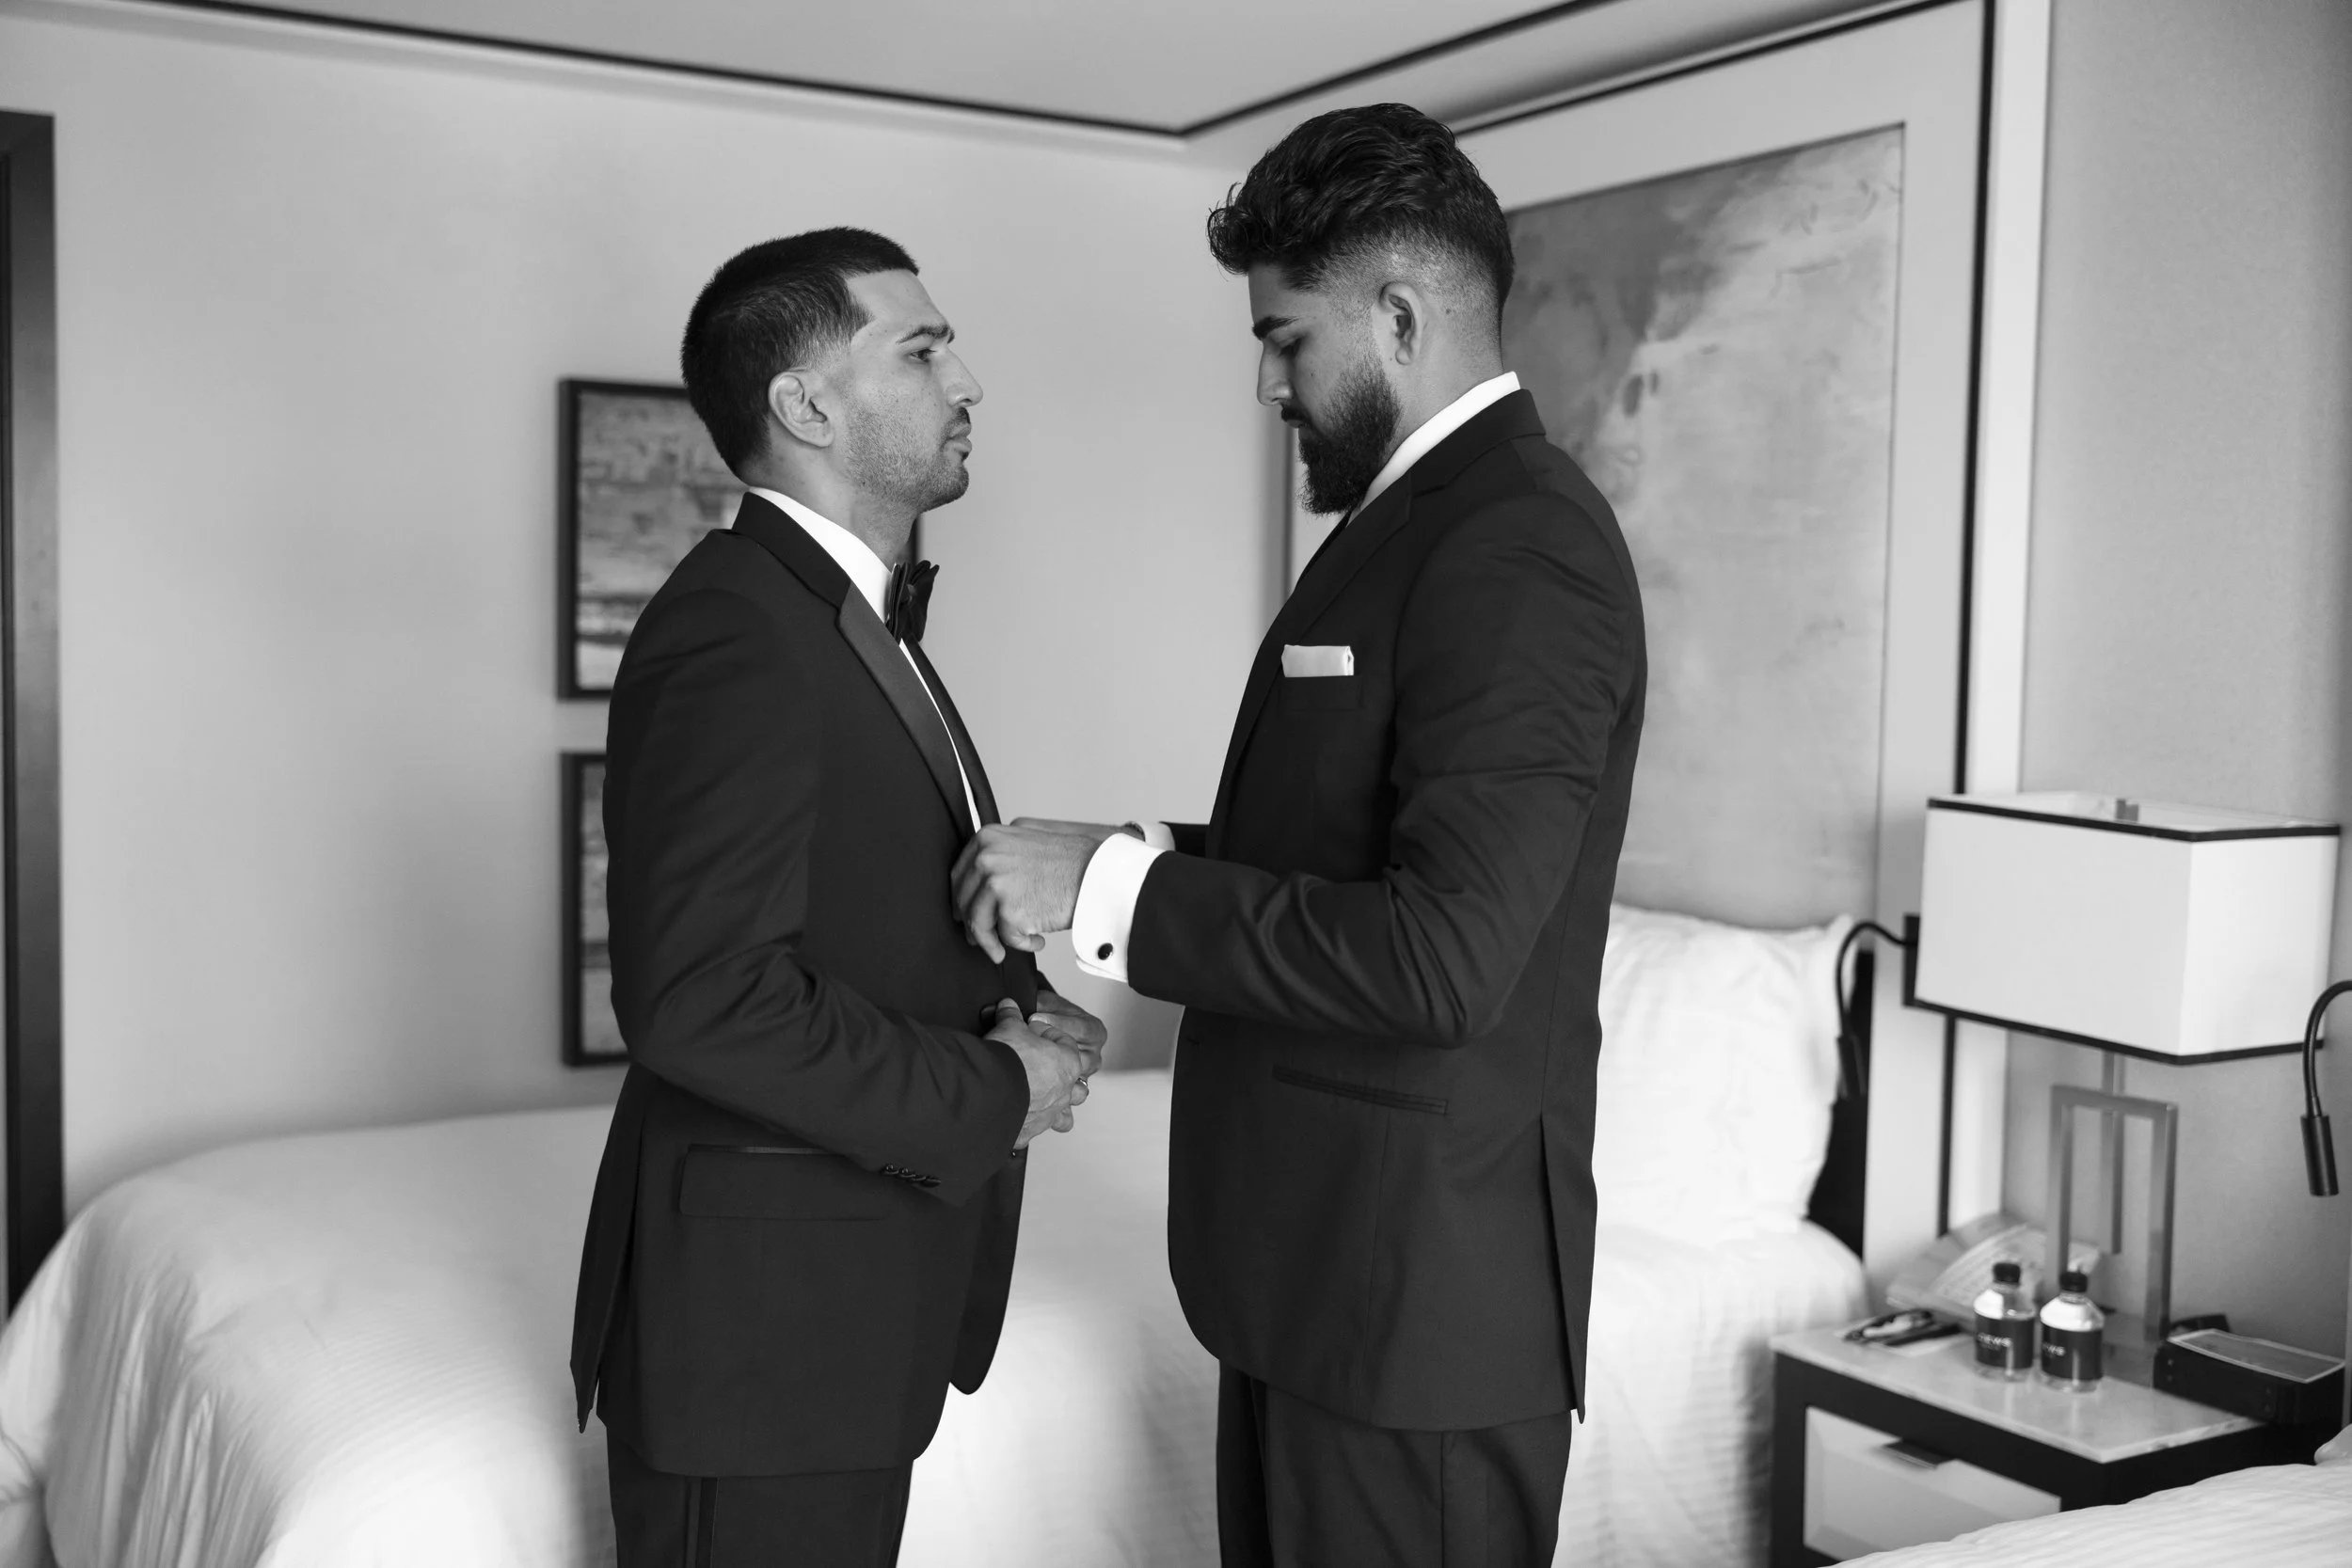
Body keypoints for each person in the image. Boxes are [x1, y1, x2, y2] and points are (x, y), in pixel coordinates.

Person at [950, 106, 1647, 1566]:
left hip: (1417, 1319)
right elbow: (1356, 840)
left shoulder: (1519, 542)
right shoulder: (1420, 521)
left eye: (1286, 338)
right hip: (1317, 1284)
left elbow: (1444, 956)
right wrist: (1127, 850)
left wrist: (1120, 896)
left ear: (1398, 315)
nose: (1267, 379)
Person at [569, 227, 1106, 1568]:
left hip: (835, 1320)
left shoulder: (844, 620)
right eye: (922, 349)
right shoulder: (735, 630)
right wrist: (999, 1092)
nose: (968, 378)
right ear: (805, 406)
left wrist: (1027, 1010)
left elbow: (862, 910)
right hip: (761, 1345)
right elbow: (704, 1001)